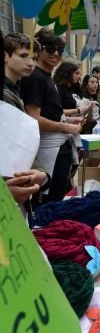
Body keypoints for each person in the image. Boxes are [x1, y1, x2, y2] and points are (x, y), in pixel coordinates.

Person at [20, 28, 81, 203]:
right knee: (49, 202)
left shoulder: (47, 77)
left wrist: (67, 120)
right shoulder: (35, 78)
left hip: (58, 146)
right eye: (50, 48)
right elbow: (33, 118)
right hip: (47, 149)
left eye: (59, 50)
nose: (55, 54)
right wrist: (66, 126)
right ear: (38, 49)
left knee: (57, 197)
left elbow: (50, 112)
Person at [1, 32, 50, 207]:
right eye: (23, 56)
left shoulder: (15, 89)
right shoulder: (5, 95)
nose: (31, 63)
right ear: (6, 56)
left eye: (34, 58)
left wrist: (42, 174)